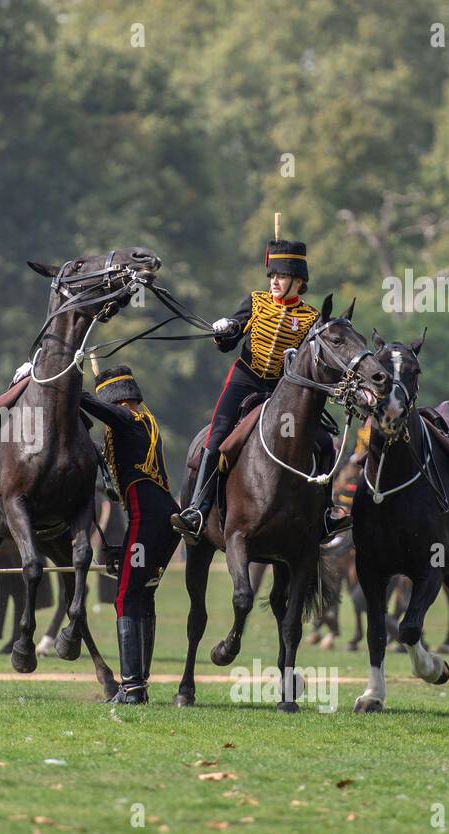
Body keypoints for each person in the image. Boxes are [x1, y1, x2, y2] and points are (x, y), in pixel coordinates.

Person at [170, 232, 347, 542]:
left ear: (298, 282)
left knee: (323, 443)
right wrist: (225, 329)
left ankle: (324, 515)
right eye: (273, 275)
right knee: (217, 437)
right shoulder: (255, 301)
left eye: (283, 275)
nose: (275, 281)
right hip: (245, 380)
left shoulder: (310, 318)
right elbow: (230, 340)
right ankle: (198, 509)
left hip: (282, 390)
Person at [78, 366, 180, 704]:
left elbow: (104, 411)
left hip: (146, 518)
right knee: (142, 595)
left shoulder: (127, 419)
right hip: (166, 519)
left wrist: (70, 387)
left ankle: (133, 688)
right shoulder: (144, 421)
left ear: (120, 400)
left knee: (124, 597)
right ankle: (139, 685)